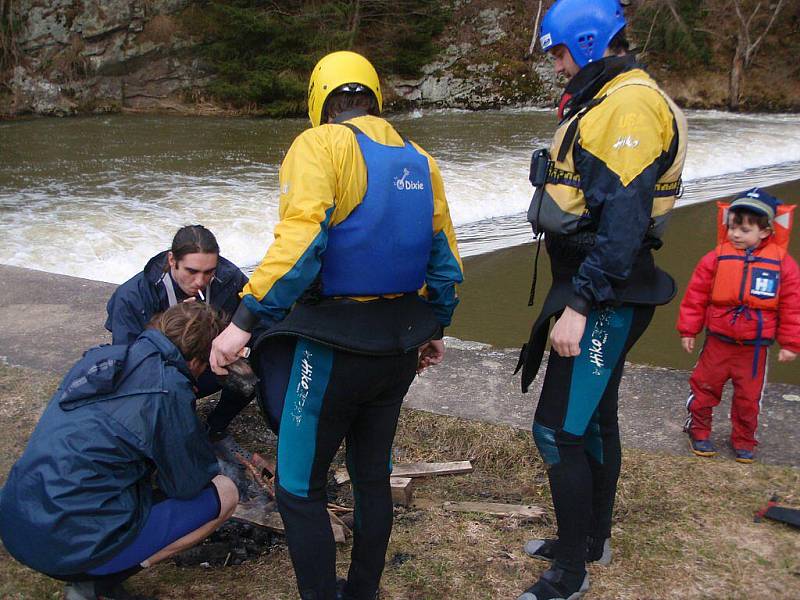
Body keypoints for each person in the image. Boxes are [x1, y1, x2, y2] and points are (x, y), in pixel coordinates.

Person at [209, 50, 463, 600]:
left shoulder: (319, 144)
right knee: (372, 476)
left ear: (321, 101)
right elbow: (444, 258)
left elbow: (301, 241)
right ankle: (363, 591)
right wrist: (434, 325)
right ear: (374, 96)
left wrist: (244, 320)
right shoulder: (421, 158)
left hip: (332, 349)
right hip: (396, 351)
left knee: (300, 488)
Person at [514, 1, 688, 598]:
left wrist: (581, 305)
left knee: (557, 430)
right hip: (605, 283)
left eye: (559, 53)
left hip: (606, 291)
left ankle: (570, 571)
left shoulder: (630, 105)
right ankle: (590, 539)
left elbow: (623, 227)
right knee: (595, 420)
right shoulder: (613, 96)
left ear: (587, 44)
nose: (558, 67)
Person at [0, 302, 239, 600]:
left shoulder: (102, 357)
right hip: (68, 546)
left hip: (17, 521)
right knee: (225, 492)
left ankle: (89, 565)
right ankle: (99, 581)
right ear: (196, 361)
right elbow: (187, 483)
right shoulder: (170, 389)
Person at [677, 188, 799, 463]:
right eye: (732, 227)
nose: (735, 234)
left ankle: (744, 439)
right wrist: (688, 330)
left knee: (749, 398)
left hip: (754, 351)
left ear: (765, 231)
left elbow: (792, 307)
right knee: (704, 389)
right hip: (718, 343)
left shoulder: (784, 266)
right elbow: (695, 296)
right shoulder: (715, 258)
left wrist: (791, 343)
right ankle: (699, 431)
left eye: (744, 230)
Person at [105, 224, 253, 438]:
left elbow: (257, 322)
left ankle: (215, 427)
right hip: (159, 372)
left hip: (208, 363)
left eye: (209, 272)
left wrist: (239, 345)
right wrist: (174, 324)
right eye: (191, 271)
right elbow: (128, 362)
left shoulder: (229, 278)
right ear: (172, 261)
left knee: (255, 366)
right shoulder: (133, 295)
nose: (200, 281)